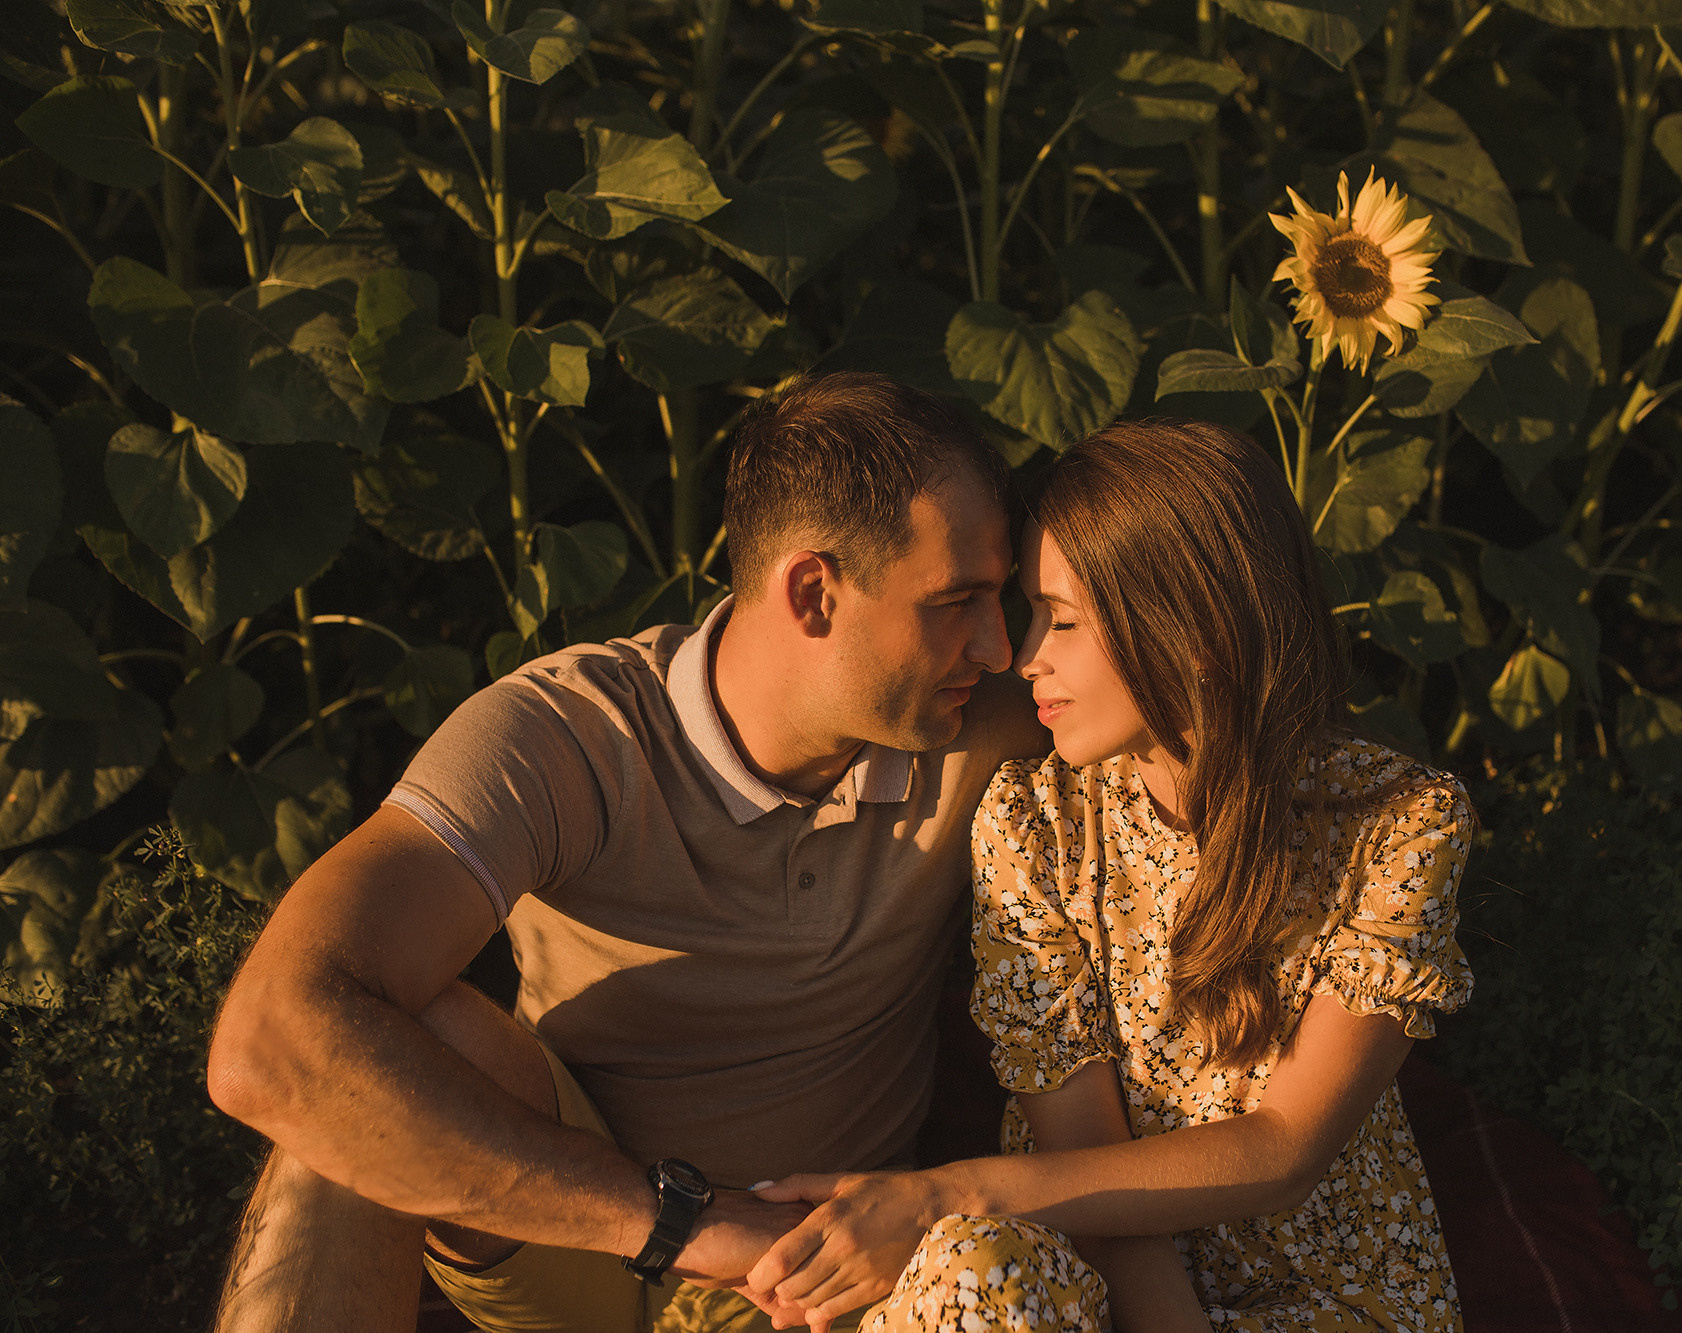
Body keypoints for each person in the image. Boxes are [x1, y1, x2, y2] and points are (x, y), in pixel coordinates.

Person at [202, 371, 1050, 1333]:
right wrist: (679, 1221)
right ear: (814, 592)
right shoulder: (565, 735)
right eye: (958, 601)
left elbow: (1209, 712)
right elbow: (266, 1042)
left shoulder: (981, 724)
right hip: (581, 1254)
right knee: (353, 1069)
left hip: (829, 1279)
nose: (999, 647)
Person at [739, 418, 1476, 1332]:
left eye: (1066, 620)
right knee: (977, 1266)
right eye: (1031, 612)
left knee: (960, 1229)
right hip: (1085, 1265)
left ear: (1196, 630)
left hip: (1328, 1293)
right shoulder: (1033, 823)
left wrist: (940, 1193)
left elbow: (1288, 1148)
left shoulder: (1398, 823)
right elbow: (1080, 1144)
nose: (1020, 654)